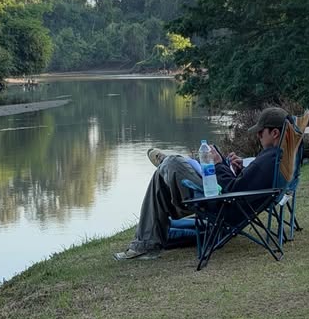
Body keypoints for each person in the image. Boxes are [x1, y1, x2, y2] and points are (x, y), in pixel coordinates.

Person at [114, 106, 290, 261]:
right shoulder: (278, 156)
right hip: (232, 202)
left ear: (274, 133)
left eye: (261, 132)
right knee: (170, 170)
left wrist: (219, 164)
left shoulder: (269, 159)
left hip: (222, 205)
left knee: (172, 165)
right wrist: (236, 170)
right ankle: (170, 165)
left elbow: (233, 190)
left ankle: (169, 163)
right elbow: (244, 185)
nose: (258, 135)